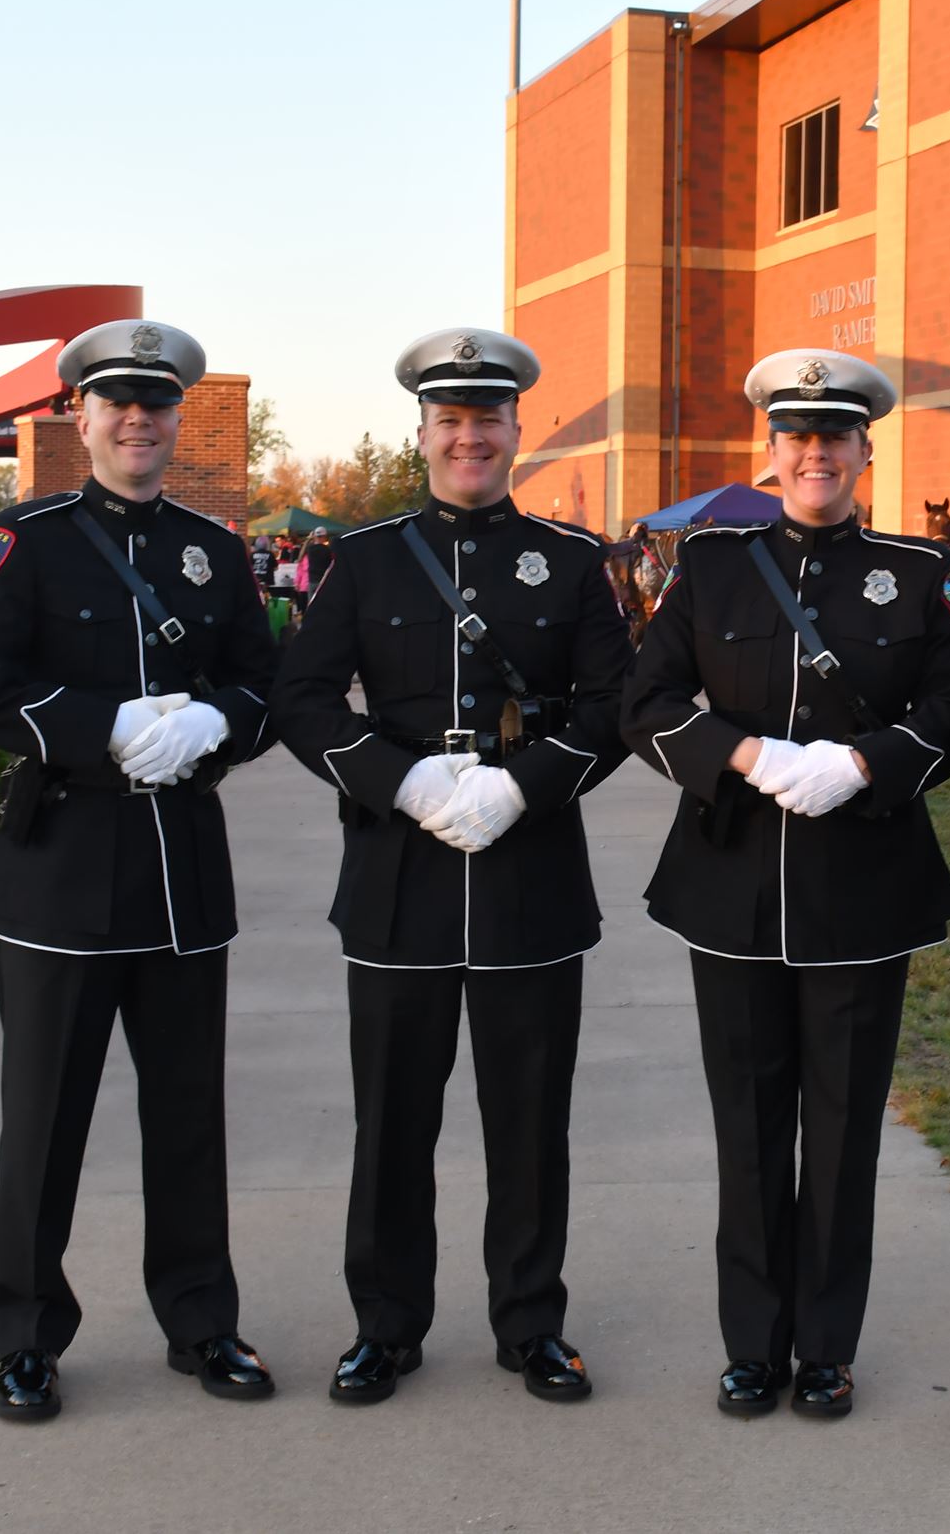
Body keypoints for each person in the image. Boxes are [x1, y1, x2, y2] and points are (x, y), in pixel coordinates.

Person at [269, 327, 634, 1408]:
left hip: (529, 872)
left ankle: (531, 1323)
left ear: (517, 430)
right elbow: (300, 695)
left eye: (489, 419)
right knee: (391, 1118)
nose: (469, 436)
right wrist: (399, 779)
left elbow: (617, 704)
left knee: (530, 1116)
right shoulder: (364, 557)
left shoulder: (570, 562)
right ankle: (384, 1326)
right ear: (421, 433)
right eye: (450, 420)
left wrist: (527, 782)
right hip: (399, 874)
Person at [0, 319, 281, 1423]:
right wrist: (102, 725)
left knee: (188, 1116)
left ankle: (200, 1317)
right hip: (61, 869)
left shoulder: (213, 550)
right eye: (115, 400)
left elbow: (265, 688)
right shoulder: (20, 540)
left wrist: (212, 723)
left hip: (181, 866)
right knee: (43, 1120)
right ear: (75, 415)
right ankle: (26, 1333)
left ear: (177, 415)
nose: (137, 418)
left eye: (156, 401)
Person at [621, 350, 950, 1420]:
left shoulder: (916, 573)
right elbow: (644, 700)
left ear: (865, 449)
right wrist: (742, 755)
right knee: (748, 1124)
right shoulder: (712, 566)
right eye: (796, 435)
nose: (815, 452)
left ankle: (824, 1344)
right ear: (770, 453)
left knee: (843, 1124)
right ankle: (750, 1342)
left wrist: (864, 762)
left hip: (862, 888)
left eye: (836, 436)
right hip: (730, 886)